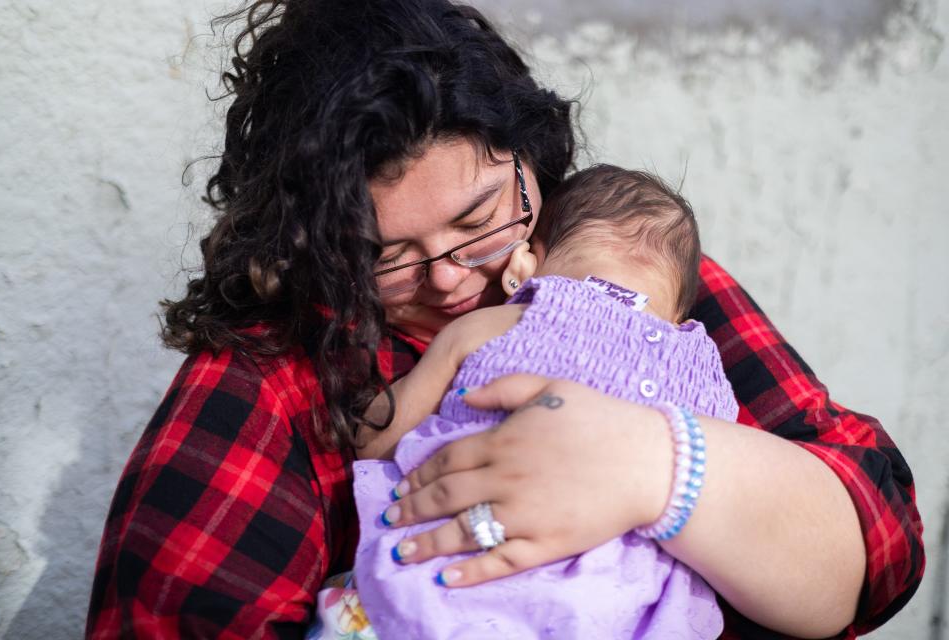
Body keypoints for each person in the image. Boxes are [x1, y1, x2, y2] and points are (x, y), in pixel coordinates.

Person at [85, 1, 923, 639]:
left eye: (482, 214)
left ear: (533, 160)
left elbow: (878, 543)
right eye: (382, 252)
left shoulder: (626, 279)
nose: (449, 277)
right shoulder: (270, 376)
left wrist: (658, 467)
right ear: (307, 243)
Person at [312, 164, 736, 639]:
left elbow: (375, 439)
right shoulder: (705, 371)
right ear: (680, 314)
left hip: (453, 577)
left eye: (474, 222)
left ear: (523, 267)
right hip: (608, 609)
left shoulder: (494, 325)